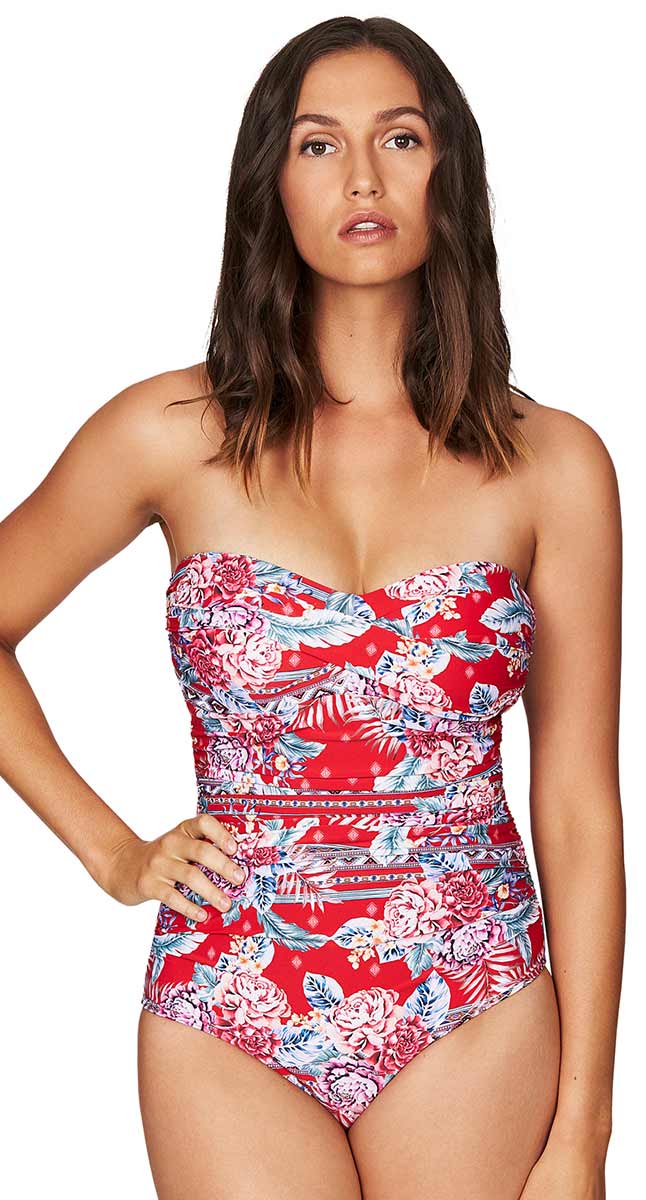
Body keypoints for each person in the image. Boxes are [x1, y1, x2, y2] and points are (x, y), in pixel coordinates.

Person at [0, 15, 624, 1200]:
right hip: (228, 1000)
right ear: (270, 184)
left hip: (471, 995)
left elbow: (579, 806)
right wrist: (112, 851)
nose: (364, 178)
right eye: (318, 144)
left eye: (401, 138)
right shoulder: (168, 434)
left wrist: (582, 1132)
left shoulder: (553, 464)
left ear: (449, 171)